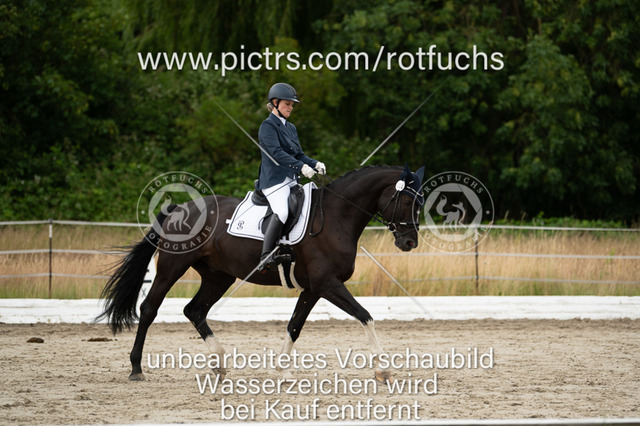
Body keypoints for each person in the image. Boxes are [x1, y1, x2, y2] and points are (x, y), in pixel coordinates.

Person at [256, 82, 326, 269]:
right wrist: (301, 167)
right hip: (274, 181)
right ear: (275, 103)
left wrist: (314, 163)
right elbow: (276, 153)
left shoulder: (291, 128)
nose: (291, 108)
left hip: (292, 180)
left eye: (292, 105)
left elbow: (299, 154)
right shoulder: (267, 126)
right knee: (282, 211)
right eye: (287, 104)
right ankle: (266, 256)